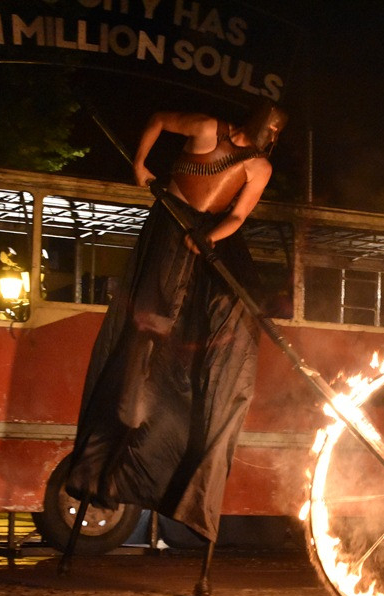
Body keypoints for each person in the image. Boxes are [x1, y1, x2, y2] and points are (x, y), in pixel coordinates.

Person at [63, 101, 288, 560]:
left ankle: (190, 478)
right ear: (251, 124)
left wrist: (211, 238)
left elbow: (237, 216)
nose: (263, 139)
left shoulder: (259, 167)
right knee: (145, 333)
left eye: (271, 136)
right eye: (262, 131)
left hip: (206, 246)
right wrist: (140, 163)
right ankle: (107, 463)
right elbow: (159, 119)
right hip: (170, 228)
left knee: (221, 327)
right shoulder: (208, 128)